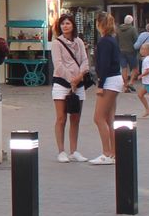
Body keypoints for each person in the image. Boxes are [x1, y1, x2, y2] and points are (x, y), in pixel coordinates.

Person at [50, 14, 91, 163]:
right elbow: (58, 65)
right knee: (61, 118)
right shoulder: (56, 43)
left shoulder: (79, 41)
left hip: (78, 84)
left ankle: (74, 151)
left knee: (75, 117)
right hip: (62, 83)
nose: (65, 26)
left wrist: (79, 77)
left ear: (73, 25)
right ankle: (61, 151)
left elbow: (85, 60)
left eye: (68, 23)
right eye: (62, 24)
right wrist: (71, 79)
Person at [89, 11, 123, 165]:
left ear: (99, 24)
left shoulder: (104, 41)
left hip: (109, 80)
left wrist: (100, 85)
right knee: (110, 118)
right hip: (116, 79)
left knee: (99, 117)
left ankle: (106, 153)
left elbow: (103, 64)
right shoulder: (112, 40)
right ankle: (115, 152)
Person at [117, 14, 140, 89]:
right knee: (134, 68)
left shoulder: (118, 29)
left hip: (121, 51)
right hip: (131, 51)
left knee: (124, 68)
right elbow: (136, 40)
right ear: (132, 21)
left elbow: (116, 39)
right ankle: (131, 82)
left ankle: (125, 83)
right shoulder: (133, 29)